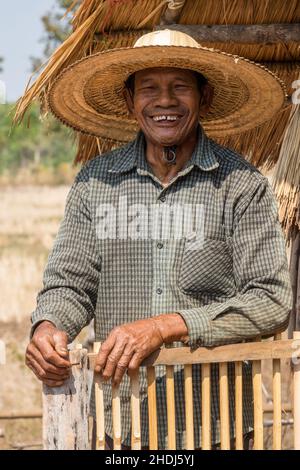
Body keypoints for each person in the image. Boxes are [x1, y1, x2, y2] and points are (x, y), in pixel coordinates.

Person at [25, 30, 292, 449]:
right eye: (149, 88)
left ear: (203, 98)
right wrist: (47, 327)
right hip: (121, 424)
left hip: (215, 423)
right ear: (131, 101)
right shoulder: (96, 183)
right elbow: (69, 282)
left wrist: (167, 326)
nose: (165, 101)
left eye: (179, 87)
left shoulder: (241, 185)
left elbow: (271, 300)